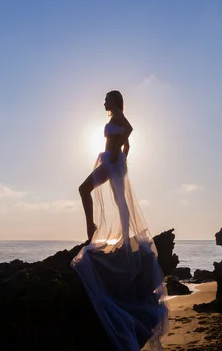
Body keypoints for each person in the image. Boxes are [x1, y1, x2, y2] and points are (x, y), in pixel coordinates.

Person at [71, 90, 169, 351]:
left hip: (114, 162)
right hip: (109, 159)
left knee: (120, 201)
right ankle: (91, 226)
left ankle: (124, 236)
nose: (104, 103)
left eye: (107, 99)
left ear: (115, 101)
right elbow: (125, 133)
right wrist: (121, 149)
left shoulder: (120, 115)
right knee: (85, 190)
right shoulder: (113, 116)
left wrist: (122, 151)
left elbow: (131, 129)